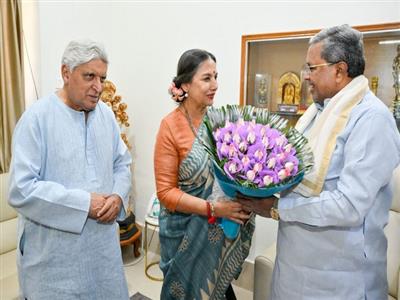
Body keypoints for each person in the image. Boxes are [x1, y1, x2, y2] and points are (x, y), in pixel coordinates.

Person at [238, 24, 400, 299]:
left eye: (312, 68)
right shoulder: (317, 113)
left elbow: (348, 206)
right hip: (297, 270)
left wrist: (278, 208)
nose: (305, 77)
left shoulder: (371, 119)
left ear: (339, 70)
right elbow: (292, 172)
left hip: (338, 279)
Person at [8, 40, 132, 299]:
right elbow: (21, 189)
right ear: (66, 73)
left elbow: (122, 162)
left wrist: (118, 195)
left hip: (102, 256)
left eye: (102, 78)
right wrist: (84, 203)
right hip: (54, 263)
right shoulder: (36, 119)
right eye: (89, 76)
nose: (98, 87)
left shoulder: (106, 116)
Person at [154, 49, 254, 300]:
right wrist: (213, 209)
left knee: (216, 288)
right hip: (183, 234)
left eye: (216, 77)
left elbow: (236, 171)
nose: (215, 85)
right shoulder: (170, 126)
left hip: (218, 236)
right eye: (206, 78)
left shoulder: (222, 122)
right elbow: (165, 193)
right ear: (185, 83)